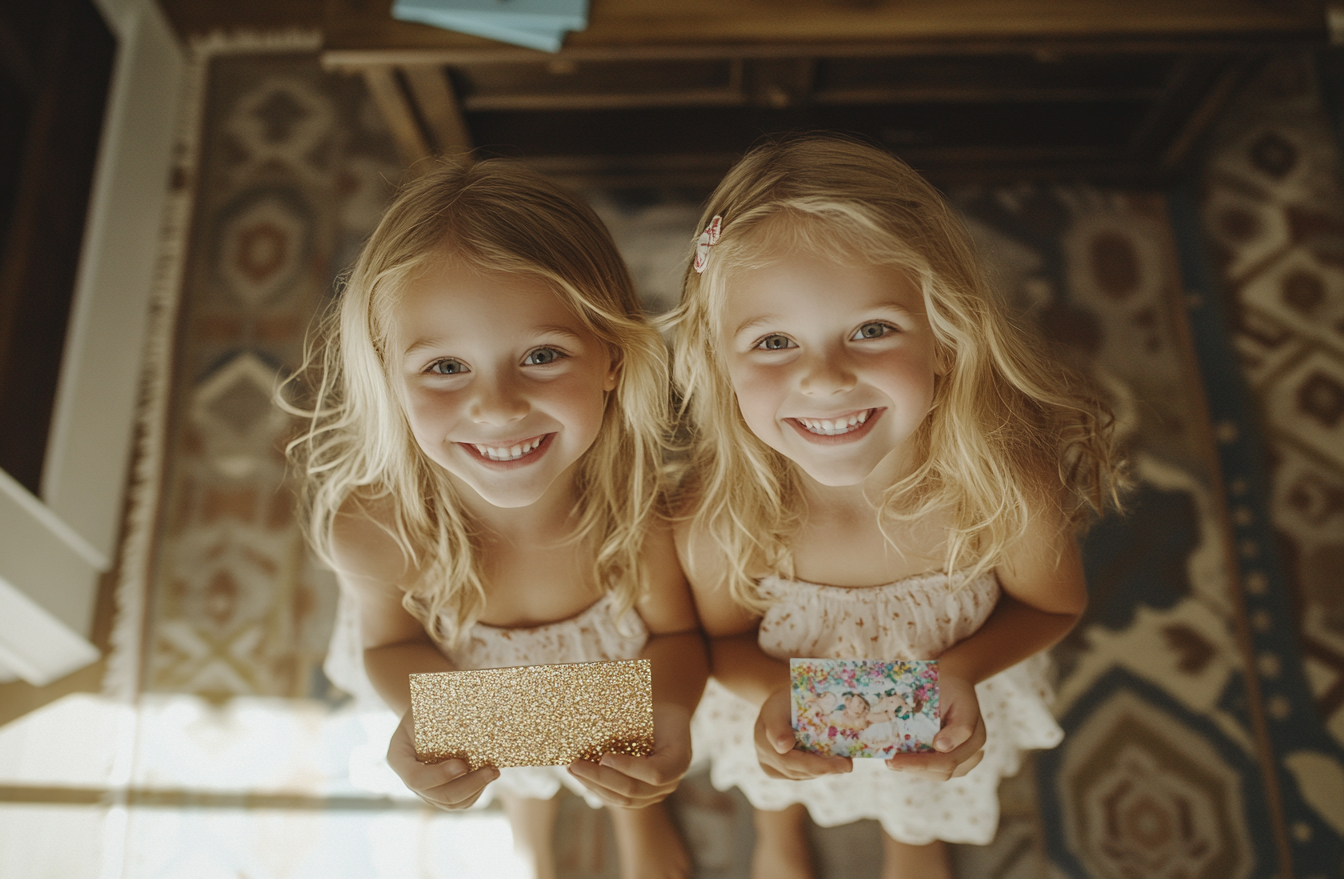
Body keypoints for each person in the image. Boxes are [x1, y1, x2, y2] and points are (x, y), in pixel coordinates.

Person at [667, 135, 1126, 879]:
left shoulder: (1003, 485)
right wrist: (784, 698)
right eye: (775, 341)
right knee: (780, 766)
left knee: (921, 787)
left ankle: (914, 837)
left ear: (945, 336)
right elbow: (722, 645)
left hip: (950, 700)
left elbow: (1050, 609)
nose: (825, 378)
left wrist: (962, 672)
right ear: (719, 364)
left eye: (871, 330)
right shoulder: (720, 515)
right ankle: (778, 828)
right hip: (785, 705)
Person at [287, 158, 707, 879]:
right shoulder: (372, 528)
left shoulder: (644, 510)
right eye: (446, 368)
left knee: (624, 775)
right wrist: (428, 717)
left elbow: (675, 636)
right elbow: (387, 647)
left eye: (542, 355)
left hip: (614, 724)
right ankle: (531, 836)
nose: (499, 407)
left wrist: (664, 717)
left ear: (611, 355)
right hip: (484, 712)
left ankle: (638, 812)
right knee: (517, 779)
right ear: (390, 375)